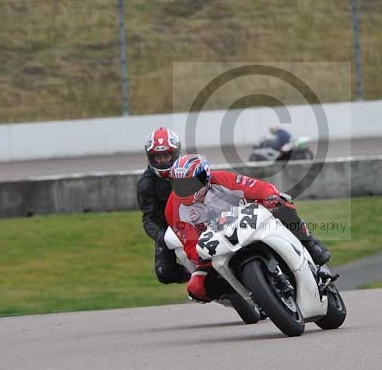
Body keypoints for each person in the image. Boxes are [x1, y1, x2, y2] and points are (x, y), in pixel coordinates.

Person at [165, 154, 331, 303]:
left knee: (282, 202)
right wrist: (201, 255)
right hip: (217, 245)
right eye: (179, 184)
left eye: (189, 183)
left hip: (248, 221)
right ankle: (247, 295)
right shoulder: (173, 210)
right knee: (196, 288)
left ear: (204, 177)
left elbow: (258, 187)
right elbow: (189, 243)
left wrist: (270, 196)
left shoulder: (221, 179)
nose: (184, 189)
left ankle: (312, 247)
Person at [136, 127, 190, 285]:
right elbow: (148, 218)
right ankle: (194, 278)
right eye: (158, 156)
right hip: (169, 231)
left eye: (166, 155)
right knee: (164, 273)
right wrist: (162, 237)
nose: (163, 160)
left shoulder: (189, 170)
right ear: (150, 157)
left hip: (197, 220)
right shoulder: (145, 184)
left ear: (175, 154)